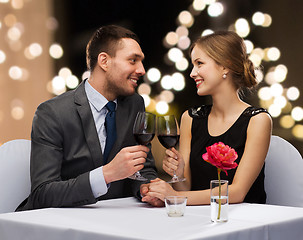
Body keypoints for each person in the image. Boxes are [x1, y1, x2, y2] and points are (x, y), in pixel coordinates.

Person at [17, 25, 161, 211]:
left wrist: (147, 189)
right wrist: (106, 174)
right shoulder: (52, 113)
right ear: (104, 61)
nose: (141, 70)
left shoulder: (135, 104)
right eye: (133, 60)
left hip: (119, 220)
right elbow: (43, 193)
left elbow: (144, 169)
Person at [142, 31, 272, 205]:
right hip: (201, 219)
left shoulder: (258, 120)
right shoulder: (190, 118)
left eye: (199, 64)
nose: (192, 73)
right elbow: (185, 188)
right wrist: (179, 175)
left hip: (245, 222)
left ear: (226, 66)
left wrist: (173, 196)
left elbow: (237, 192)